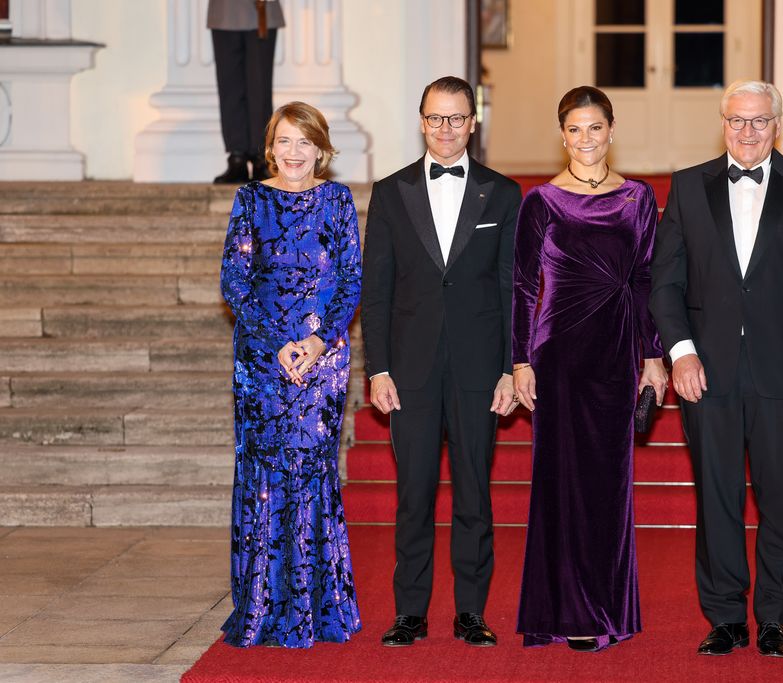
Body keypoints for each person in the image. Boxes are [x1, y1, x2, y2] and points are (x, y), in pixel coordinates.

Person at [649, 80, 783, 658]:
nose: (747, 131)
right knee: (716, 496)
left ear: (776, 124)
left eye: (759, 121)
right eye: (737, 121)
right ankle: (727, 616)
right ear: (723, 123)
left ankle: (775, 616)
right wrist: (679, 352)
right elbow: (666, 283)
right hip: (706, 372)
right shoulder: (688, 187)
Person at [360, 76, 521, 648]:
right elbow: (375, 290)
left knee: (475, 493)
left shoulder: (503, 193)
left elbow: (512, 288)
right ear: (421, 120)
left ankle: (471, 612)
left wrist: (509, 367)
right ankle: (410, 611)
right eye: (436, 118)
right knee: (414, 494)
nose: (446, 128)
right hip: (409, 370)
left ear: (473, 122)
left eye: (456, 118)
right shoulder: (390, 191)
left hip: (481, 370)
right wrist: (376, 369)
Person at [512, 86, 667, 653]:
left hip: (617, 350)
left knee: (608, 485)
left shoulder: (638, 198)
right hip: (559, 354)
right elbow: (524, 285)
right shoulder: (541, 202)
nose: (585, 139)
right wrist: (520, 359)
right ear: (562, 135)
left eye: (594, 128)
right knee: (560, 485)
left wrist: (654, 355)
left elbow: (647, 277)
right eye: (574, 129)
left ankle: (606, 602)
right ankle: (567, 608)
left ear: (611, 130)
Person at [219, 101, 362, 647]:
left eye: (305, 142)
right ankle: (260, 607)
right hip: (261, 359)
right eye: (284, 141)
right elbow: (234, 281)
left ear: (321, 147)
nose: (295, 152)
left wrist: (315, 341)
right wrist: (279, 342)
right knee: (264, 471)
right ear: (270, 147)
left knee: (311, 468)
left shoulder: (339, 201)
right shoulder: (250, 200)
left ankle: (317, 609)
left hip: (322, 359)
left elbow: (351, 280)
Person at [208, 0, 284, 184]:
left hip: (260, 8)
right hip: (224, 9)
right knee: (229, 89)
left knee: (260, 90)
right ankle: (237, 158)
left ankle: (261, 157)